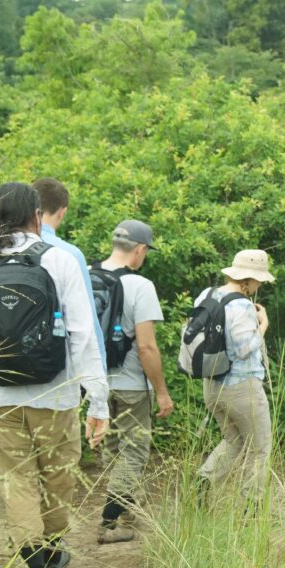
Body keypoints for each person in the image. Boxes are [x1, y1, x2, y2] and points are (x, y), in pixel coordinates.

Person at [0, 182, 109, 568]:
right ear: (36, 215)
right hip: (55, 394)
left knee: (16, 482)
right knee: (57, 479)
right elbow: (81, 333)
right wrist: (98, 401)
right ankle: (49, 556)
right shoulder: (58, 258)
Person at [95, 220, 174, 544]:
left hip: (96, 381)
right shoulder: (140, 287)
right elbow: (146, 346)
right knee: (135, 451)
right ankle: (109, 521)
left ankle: (128, 512)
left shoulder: (88, 275)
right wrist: (162, 392)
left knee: (113, 448)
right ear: (139, 250)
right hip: (130, 384)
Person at [195, 250, 274, 504]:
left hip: (211, 385)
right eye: (258, 280)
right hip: (242, 388)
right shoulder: (241, 305)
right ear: (247, 280)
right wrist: (262, 325)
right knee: (260, 449)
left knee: (233, 440)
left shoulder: (207, 295)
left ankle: (203, 482)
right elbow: (243, 349)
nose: (260, 285)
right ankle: (251, 507)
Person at [32, 177, 105, 368]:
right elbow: (87, 319)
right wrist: (99, 371)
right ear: (62, 212)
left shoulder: (4, 249)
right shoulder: (70, 254)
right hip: (57, 367)